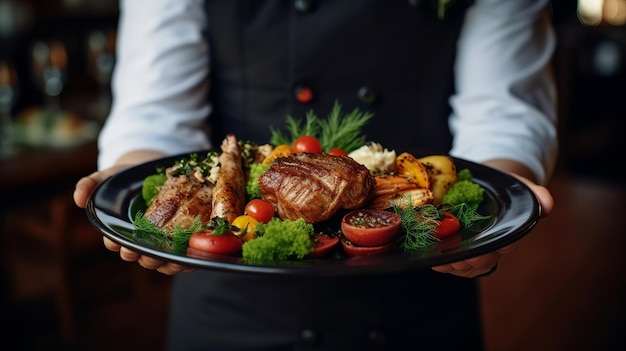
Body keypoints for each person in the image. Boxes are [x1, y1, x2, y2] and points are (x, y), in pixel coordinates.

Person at [74, 0, 557, 349]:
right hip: (231, 297)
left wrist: (496, 212)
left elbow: (504, 111)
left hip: (421, 284)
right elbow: (156, 109)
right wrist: (125, 176)